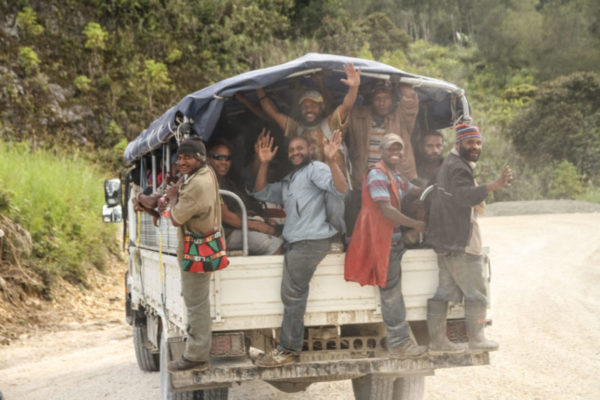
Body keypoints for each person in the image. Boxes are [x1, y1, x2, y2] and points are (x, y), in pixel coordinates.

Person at [251, 130, 347, 367]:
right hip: (297, 243)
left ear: (310, 151)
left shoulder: (316, 169)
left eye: (299, 149)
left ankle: (288, 350)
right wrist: (263, 164)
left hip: (309, 242)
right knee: (292, 294)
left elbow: (340, 189)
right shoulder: (290, 180)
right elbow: (261, 192)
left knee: (293, 296)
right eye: (291, 150)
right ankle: (288, 347)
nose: (295, 153)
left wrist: (332, 160)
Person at [425, 124, 513, 353]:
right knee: (477, 293)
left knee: (443, 294)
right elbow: (465, 197)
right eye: (469, 143)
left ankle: (437, 342)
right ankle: (477, 339)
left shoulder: (452, 164)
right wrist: (495, 185)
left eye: (478, 143)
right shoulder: (458, 167)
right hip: (460, 243)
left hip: (446, 243)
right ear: (458, 144)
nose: (475, 147)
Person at [345, 133, 427, 357]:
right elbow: (386, 210)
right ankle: (400, 342)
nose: (396, 153)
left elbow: (415, 190)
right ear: (381, 151)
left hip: (393, 241)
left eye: (399, 149)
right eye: (391, 149)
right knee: (391, 293)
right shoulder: (377, 175)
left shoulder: (395, 175)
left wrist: (436, 191)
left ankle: (400, 340)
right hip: (381, 242)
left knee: (392, 290)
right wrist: (416, 224)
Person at [256, 63, 361, 235]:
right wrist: (258, 87)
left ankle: (336, 237)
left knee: (333, 202)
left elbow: (346, 106)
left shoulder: (331, 123)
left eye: (313, 105)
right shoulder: (297, 129)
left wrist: (354, 88)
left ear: (321, 107)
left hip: (336, 184)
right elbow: (273, 113)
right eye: (305, 106)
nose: (308, 108)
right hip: (311, 187)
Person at [158, 137, 221, 372]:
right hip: (202, 244)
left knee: (196, 303)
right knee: (197, 300)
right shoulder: (206, 174)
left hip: (196, 249)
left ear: (200, 158)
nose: (181, 161)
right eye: (180, 157)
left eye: (187, 157)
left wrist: (173, 196)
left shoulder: (196, 185)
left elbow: (175, 218)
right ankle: (197, 351)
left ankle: (196, 355)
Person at [344, 81, 420, 234]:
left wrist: (398, 82)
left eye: (386, 98)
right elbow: (343, 110)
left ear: (393, 100)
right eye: (377, 98)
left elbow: (411, 99)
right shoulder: (357, 116)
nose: (382, 103)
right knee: (363, 224)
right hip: (363, 181)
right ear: (370, 100)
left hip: (396, 181)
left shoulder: (400, 118)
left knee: (396, 222)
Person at [207, 140, 283, 255]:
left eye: (227, 158)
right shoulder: (208, 181)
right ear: (208, 159)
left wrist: (264, 222)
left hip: (236, 229)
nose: (224, 162)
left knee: (284, 237)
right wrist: (259, 226)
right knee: (274, 245)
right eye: (218, 157)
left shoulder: (227, 182)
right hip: (223, 234)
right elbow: (226, 216)